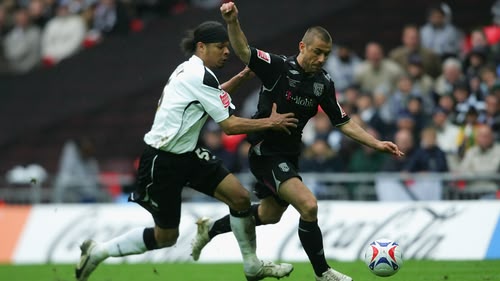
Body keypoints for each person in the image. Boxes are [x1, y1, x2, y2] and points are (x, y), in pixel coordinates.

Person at [191, 3, 404, 281]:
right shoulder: (278, 67)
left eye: (326, 54)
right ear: (302, 46)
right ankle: (323, 272)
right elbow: (244, 51)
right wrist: (232, 22)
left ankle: (210, 230)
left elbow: (343, 121)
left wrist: (376, 143)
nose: (321, 58)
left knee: (268, 215)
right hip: (265, 151)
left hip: (289, 154)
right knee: (309, 205)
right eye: (317, 52)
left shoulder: (323, 83)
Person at [75, 20, 298, 281]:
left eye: (228, 47)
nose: (227, 52)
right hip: (162, 160)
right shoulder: (198, 75)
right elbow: (229, 125)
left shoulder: (194, 71)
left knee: (238, 198)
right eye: (220, 47)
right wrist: (271, 122)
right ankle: (99, 252)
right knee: (166, 236)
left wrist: (241, 76)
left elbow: (212, 97)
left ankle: (252, 266)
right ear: (201, 47)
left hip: (187, 154)